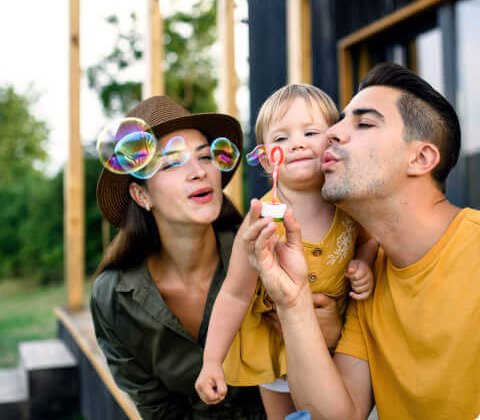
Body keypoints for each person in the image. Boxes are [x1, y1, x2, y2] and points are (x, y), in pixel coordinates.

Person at [243, 63, 480, 420]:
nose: (332, 133)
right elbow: (336, 417)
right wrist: (293, 304)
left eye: (364, 123)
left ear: (420, 158)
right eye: (339, 121)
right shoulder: (365, 279)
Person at [195, 85, 377, 419]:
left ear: (334, 140)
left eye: (310, 132)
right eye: (280, 139)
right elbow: (235, 293)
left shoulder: (349, 201)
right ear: (266, 159)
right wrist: (211, 361)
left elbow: (368, 240)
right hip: (276, 345)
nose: (296, 143)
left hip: (342, 338)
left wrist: (363, 265)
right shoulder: (261, 221)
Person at [90, 95, 265, 419]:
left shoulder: (262, 252)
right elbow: (159, 411)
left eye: (205, 156)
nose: (199, 171)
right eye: (172, 162)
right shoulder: (114, 299)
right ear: (141, 195)